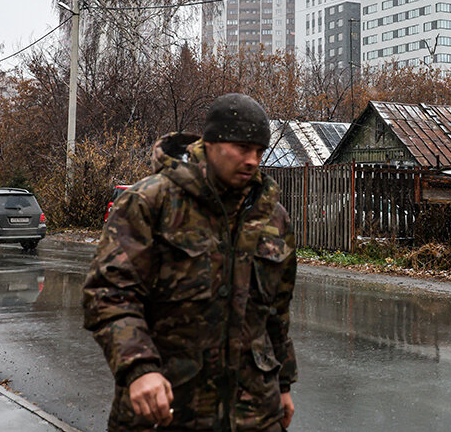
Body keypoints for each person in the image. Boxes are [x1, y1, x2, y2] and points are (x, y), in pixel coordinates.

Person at [83, 93, 296, 431]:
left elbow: (276, 313)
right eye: (242, 148)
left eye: (259, 151)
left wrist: (283, 385)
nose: (253, 160)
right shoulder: (152, 202)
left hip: (254, 412)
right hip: (165, 406)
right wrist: (139, 368)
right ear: (209, 143)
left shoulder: (272, 216)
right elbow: (109, 293)